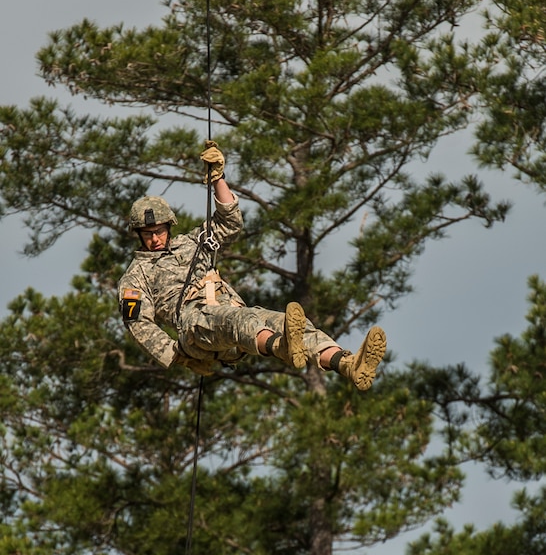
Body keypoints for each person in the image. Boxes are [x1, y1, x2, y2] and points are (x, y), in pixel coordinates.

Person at [118, 142, 387, 391]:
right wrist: (178, 356)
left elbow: (229, 224)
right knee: (242, 320)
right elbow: (139, 324)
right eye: (147, 233)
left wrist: (217, 179)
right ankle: (282, 345)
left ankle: (347, 364)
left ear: (168, 226)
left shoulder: (193, 242)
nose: (154, 238)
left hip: (232, 315)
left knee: (289, 322)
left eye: (159, 231)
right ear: (138, 235)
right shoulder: (136, 276)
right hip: (195, 326)